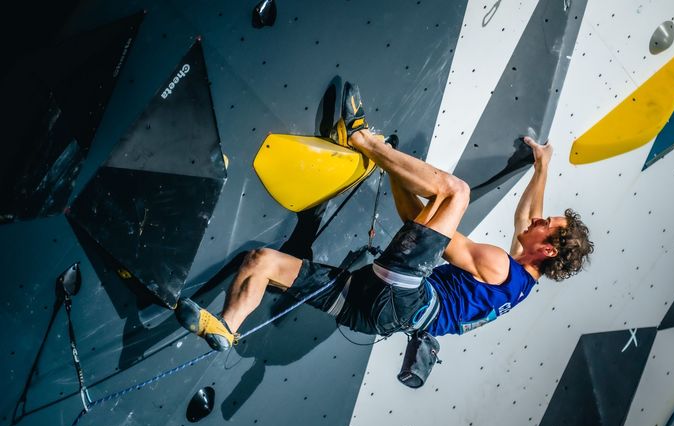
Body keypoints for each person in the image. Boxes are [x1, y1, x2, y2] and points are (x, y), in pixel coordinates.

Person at [174, 82, 594, 351]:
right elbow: (523, 220)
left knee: (455, 192)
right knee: (260, 263)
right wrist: (542, 168)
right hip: (377, 316)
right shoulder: (520, 284)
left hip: (402, 295)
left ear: (548, 248)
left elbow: (421, 224)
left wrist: (388, 160)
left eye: (547, 226)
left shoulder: (498, 264)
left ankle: (358, 135)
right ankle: (226, 327)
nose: (537, 222)